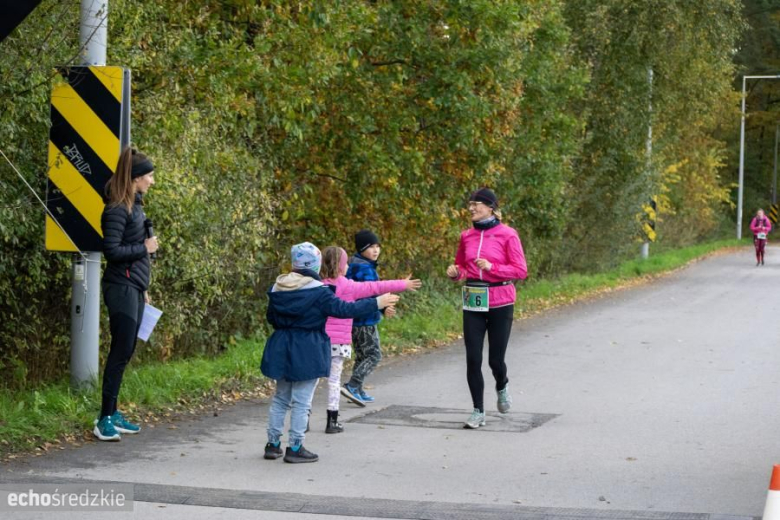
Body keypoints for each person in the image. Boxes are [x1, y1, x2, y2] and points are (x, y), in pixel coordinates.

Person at [261, 242, 399, 463]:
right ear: (315, 265)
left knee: (280, 398)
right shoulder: (319, 292)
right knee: (302, 400)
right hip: (307, 346)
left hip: (281, 344)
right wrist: (376, 303)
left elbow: (271, 318)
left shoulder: (278, 287)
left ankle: (273, 443)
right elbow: (345, 310)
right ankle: (295, 446)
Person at [446, 187, 527, 429]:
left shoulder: (508, 234)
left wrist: (493, 267)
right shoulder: (466, 236)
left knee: (495, 360)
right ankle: (478, 411)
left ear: (490, 207)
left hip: (501, 299)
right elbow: (462, 266)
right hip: (474, 298)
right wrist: (455, 273)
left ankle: (502, 385)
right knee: (472, 358)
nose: (471, 208)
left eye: (476, 204)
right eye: (470, 204)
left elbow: (520, 271)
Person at [94, 147, 158, 441]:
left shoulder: (136, 205)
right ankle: (104, 418)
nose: (152, 181)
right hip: (119, 287)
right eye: (148, 176)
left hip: (133, 287)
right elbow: (112, 250)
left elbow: (132, 255)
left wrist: (143, 288)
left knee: (127, 349)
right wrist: (144, 248)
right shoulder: (117, 208)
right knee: (120, 351)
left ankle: (113, 412)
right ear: (134, 178)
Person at [320, 246, 421, 432]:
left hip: (315, 340)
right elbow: (376, 287)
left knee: (310, 381)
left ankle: (303, 418)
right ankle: (331, 421)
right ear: (342, 266)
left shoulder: (316, 286)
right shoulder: (347, 286)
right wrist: (402, 284)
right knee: (334, 380)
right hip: (337, 343)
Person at [341, 229, 397, 405]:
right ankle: (352, 385)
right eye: (371, 247)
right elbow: (370, 293)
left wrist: (382, 308)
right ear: (362, 249)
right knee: (373, 355)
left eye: (378, 246)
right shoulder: (364, 269)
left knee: (362, 355)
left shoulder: (356, 265)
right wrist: (382, 306)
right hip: (364, 319)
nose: (376, 250)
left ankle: (356, 390)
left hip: (357, 317)